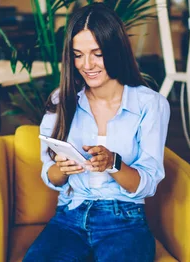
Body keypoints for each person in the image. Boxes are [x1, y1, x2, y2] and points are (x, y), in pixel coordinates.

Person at [24, 3, 170, 262]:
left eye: (97, 53)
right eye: (78, 54)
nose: (86, 64)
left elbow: (148, 184)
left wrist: (113, 163)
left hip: (124, 221)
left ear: (116, 50)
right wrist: (62, 168)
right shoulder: (61, 100)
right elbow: (50, 175)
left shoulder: (150, 104)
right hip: (69, 216)